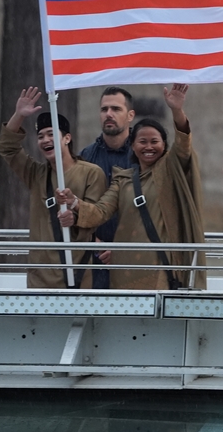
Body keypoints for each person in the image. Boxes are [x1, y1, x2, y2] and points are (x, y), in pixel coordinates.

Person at [56, 84, 206, 290]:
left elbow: (183, 146)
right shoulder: (121, 179)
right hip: (119, 272)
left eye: (154, 141)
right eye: (142, 142)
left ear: (164, 146)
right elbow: (99, 211)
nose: (148, 147)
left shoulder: (169, 170)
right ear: (133, 146)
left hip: (159, 272)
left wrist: (176, 110)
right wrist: (73, 202)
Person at [0, 87, 106, 289]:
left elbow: (96, 215)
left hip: (77, 274)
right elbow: (7, 148)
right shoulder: (36, 174)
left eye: (51, 134)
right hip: (40, 277)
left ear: (67, 138)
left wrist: (75, 214)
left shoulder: (92, 173)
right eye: (40, 136)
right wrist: (19, 115)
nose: (45, 140)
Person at [78, 86, 136, 289]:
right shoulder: (86, 156)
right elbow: (74, 207)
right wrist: (94, 242)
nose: (108, 114)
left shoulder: (145, 155)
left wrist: (124, 249)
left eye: (116, 109)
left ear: (130, 115)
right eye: (104, 109)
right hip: (94, 260)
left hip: (137, 261)